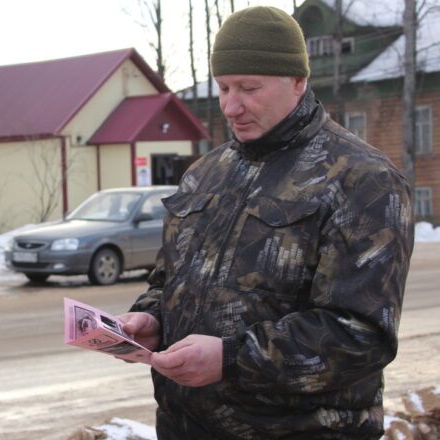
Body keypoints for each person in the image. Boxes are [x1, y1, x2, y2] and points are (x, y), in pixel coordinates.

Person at [119, 6, 414, 439]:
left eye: (249, 88)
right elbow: (170, 284)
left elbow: (361, 336)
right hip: (186, 428)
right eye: (223, 87)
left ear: (297, 81)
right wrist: (151, 319)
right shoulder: (206, 173)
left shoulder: (363, 180)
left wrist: (231, 358)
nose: (230, 106)